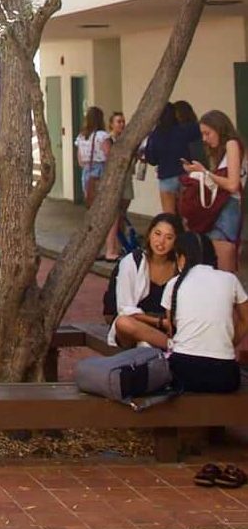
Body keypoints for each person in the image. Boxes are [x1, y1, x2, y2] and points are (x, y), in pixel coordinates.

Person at [162, 231, 248, 393]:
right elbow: (246, 318)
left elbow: (171, 328)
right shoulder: (230, 279)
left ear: (181, 257)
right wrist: (229, 343)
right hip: (224, 376)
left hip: (182, 372)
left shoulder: (174, 284)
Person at [181, 109, 246, 274]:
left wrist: (205, 173)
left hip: (228, 208)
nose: (205, 138)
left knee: (224, 265)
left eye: (207, 133)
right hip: (224, 208)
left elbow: (232, 184)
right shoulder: (224, 149)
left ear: (219, 128)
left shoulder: (232, 143)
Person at [109, 213, 180, 349]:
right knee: (123, 323)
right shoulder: (132, 261)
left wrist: (170, 323)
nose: (161, 242)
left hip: (171, 327)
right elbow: (125, 309)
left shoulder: (179, 265)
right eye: (157, 234)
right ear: (149, 234)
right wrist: (159, 322)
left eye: (169, 237)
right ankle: (173, 348)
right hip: (139, 325)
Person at [145, 101, 201, 215]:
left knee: (169, 215)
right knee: (187, 215)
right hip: (184, 174)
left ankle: (172, 232)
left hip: (166, 177)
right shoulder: (184, 130)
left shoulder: (155, 135)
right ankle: (188, 232)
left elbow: (151, 159)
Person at [102, 111, 136, 262]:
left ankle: (118, 246)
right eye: (118, 122)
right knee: (113, 217)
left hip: (127, 181)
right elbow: (112, 161)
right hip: (115, 183)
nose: (121, 124)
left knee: (121, 216)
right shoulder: (108, 140)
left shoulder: (127, 140)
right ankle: (110, 250)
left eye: (123, 121)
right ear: (111, 124)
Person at [74, 106, 110, 207]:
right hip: (100, 167)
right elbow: (108, 154)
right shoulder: (102, 135)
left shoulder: (81, 137)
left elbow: (80, 159)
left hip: (86, 169)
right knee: (102, 200)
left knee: (90, 197)